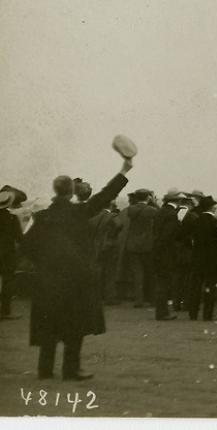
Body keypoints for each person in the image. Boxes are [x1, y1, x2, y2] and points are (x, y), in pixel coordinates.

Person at [21, 155, 132, 380]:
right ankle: (71, 369)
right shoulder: (79, 212)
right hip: (77, 278)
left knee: (49, 322)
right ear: (71, 192)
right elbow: (104, 196)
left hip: (49, 278)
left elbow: (26, 246)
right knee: (75, 324)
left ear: (55, 190)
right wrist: (124, 171)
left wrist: (44, 263)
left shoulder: (42, 217)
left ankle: (45, 368)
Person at [188, 195, 217, 321]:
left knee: (195, 286)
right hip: (212, 259)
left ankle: (193, 313)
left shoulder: (195, 221)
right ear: (211, 207)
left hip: (197, 258)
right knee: (210, 287)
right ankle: (207, 314)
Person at [152, 189, 185, 320]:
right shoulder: (172, 215)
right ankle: (162, 313)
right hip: (166, 252)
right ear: (177, 201)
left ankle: (160, 311)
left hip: (158, 251)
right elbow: (169, 235)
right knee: (164, 283)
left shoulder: (160, 212)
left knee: (161, 282)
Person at [123, 189, 157, 308]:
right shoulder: (152, 210)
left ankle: (139, 300)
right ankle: (152, 298)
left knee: (137, 273)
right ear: (148, 197)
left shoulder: (131, 209)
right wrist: (153, 201)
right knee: (150, 272)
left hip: (133, 244)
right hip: (148, 244)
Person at [0, 189, 24, 319]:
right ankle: (5, 311)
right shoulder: (12, 218)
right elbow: (19, 238)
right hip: (7, 254)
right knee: (8, 281)